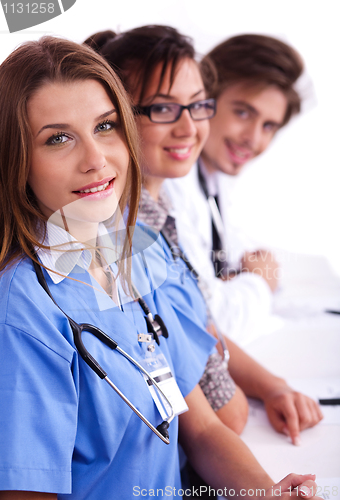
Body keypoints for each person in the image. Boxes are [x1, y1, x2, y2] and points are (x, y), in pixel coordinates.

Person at [0, 34, 322, 500]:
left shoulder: (133, 251)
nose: (96, 159)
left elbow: (204, 430)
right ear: (15, 159)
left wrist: (265, 494)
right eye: (59, 138)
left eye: (105, 127)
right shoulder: (22, 312)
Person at [87, 23, 322, 467]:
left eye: (198, 107)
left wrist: (271, 385)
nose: (189, 126)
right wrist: (258, 283)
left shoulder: (160, 216)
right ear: (114, 117)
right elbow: (202, 416)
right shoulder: (119, 239)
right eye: (162, 108)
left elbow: (206, 324)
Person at [165, 34, 305, 345]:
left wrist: (244, 280)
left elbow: (243, 255)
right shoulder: (169, 187)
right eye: (243, 113)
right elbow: (212, 323)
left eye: (269, 126)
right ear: (203, 101)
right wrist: (258, 282)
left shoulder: (214, 181)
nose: (253, 139)